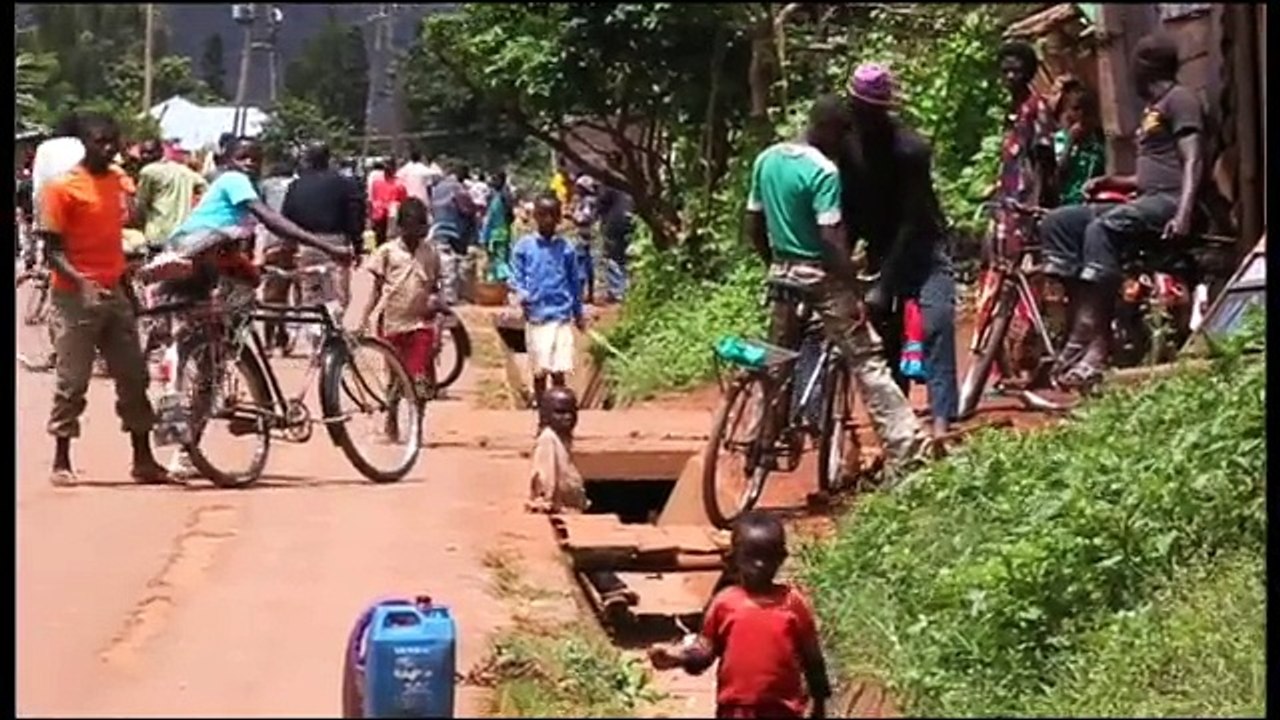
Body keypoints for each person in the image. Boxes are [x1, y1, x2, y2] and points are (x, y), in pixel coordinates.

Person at [746, 95, 929, 475]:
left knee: (777, 360)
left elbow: (754, 226)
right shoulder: (824, 172)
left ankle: (760, 441)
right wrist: (853, 286)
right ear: (829, 130)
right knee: (867, 359)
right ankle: (907, 449)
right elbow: (831, 239)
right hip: (819, 276)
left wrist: (775, 264)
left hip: (781, 273)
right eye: (842, 134)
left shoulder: (767, 159)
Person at [1038, 33, 1205, 388]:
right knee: (1060, 222)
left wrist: (1184, 212)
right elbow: (1151, 171)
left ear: (1145, 66)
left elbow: (1193, 160)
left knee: (1103, 228)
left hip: (1169, 202)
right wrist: (1113, 180)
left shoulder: (1181, 101)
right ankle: (1084, 328)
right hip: (1145, 198)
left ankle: (1092, 340)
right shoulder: (1152, 109)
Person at [37, 113, 170, 487]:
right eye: (100, 141)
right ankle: (62, 459)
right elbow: (52, 248)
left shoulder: (117, 181)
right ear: (83, 143)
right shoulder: (61, 188)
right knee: (73, 380)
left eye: (113, 140)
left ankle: (143, 459)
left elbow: (133, 218)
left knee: (133, 377)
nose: (108, 147)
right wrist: (81, 282)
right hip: (73, 297)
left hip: (115, 291)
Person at [840, 64, 959, 438]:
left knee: (936, 325)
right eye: (859, 106)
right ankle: (900, 431)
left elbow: (912, 220)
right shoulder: (846, 148)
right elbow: (847, 212)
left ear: (884, 109)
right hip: (879, 248)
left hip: (922, 247)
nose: (864, 115)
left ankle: (941, 421)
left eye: (872, 108)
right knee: (886, 339)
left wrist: (884, 285)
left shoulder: (909, 149)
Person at [648, 511, 832, 719]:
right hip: (734, 709)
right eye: (751, 557)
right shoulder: (724, 603)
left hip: (783, 709)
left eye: (768, 557)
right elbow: (706, 651)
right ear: (733, 559)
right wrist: (678, 658)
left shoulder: (793, 602)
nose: (760, 565)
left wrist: (819, 701)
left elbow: (812, 657)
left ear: (781, 558)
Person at [358, 197, 443, 408]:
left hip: (420, 323)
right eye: (410, 229)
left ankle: (417, 427)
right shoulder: (388, 252)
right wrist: (365, 319)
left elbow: (435, 290)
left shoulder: (430, 252)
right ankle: (392, 417)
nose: (415, 235)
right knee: (395, 375)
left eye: (419, 229)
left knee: (420, 379)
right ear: (401, 227)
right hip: (392, 322)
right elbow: (376, 291)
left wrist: (439, 327)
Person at [281, 142, 366, 340]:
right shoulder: (345, 184)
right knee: (338, 297)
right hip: (335, 246)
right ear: (329, 158)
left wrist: (289, 246)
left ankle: (316, 343)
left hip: (305, 245)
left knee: (311, 296)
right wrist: (358, 245)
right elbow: (355, 216)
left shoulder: (296, 186)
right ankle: (331, 340)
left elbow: (286, 217)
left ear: (308, 159)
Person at [510, 192, 585, 404]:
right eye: (543, 215)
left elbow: (574, 283)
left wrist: (578, 314)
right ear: (535, 216)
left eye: (553, 215)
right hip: (536, 317)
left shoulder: (566, 249)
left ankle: (559, 412)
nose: (548, 220)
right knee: (540, 370)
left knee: (559, 371)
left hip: (561, 315)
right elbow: (516, 277)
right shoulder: (524, 247)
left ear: (560, 218)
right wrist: (522, 294)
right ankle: (543, 415)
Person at [256, 158, 298, 355]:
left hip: (271, 243)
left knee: (271, 295)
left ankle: (270, 339)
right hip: (294, 242)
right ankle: (281, 335)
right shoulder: (297, 184)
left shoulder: (265, 185)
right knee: (287, 293)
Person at [135, 138, 209, 251]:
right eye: (143, 153)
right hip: (181, 235)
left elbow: (141, 205)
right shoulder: (183, 170)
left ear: (160, 152)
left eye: (149, 152)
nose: (145, 156)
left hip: (158, 234)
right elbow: (204, 187)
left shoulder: (148, 171)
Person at [526, 386, 589, 514]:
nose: (567, 417)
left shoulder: (563, 440)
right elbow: (544, 483)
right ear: (545, 415)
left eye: (572, 412)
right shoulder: (548, 440)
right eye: (560, 412)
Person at [428, 160, 479, 305]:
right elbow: (467, 209)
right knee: (455, 269)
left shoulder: (438, 188)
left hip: (438, 231)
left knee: (444, 269)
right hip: (454, 233)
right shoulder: (457, 188)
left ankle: (446, 300)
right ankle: (454, 303)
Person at [1052, 77, 1107, 207]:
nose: (1081, 115)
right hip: (1066, 202)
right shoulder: (1060, 139)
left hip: (1093, 203)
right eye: (1076, 109)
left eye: (1086, 111)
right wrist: (1070, 143)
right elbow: (1056, 174)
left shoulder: (1098, 141)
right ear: (1067, 111)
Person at [594, 183, 634, 304]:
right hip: (632, 220)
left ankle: (618, 291)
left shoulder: (609, 181)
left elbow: (602, 202)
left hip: (614, 222)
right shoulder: (632, 179)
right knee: (627, 254)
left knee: (612, 256)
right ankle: (629, 289)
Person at [482, 170, 515, 283]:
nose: (492, 182)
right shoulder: (499, 197)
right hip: (500, 232)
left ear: (501, 181)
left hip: (497, 233)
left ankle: (503, 281)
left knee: (499, 260)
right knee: (498, 259)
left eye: (495, 179)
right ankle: (498, 282)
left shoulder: (500, 198)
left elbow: (491, 218)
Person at [569, 175, 598, 305]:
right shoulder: (593, 200)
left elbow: (583, 218)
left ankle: (580, 295)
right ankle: (589, 293)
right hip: (591, 236)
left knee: (581, 263)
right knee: (589, 265)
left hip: (583, 235)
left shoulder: (587, 201)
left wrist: (572, 215)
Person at [369, 159, 408, 249]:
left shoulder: (378, 183)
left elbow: (372, 200)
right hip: (388, 217)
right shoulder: (399, 184)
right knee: (387, 242)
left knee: (379, 242)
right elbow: (404, 202)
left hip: (383, 216)